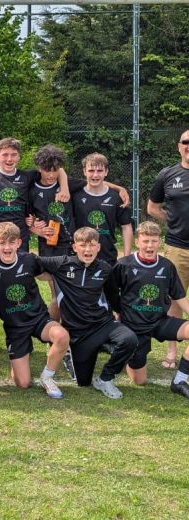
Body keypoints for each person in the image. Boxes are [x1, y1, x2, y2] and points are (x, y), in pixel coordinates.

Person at [37, 227, 138, 399]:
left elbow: (113, 295)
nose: (87, 250)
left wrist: (120, 312)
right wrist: (1, 256)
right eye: (83, 245)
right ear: (75, 247)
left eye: (92, 245)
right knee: (83, 382)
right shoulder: (62, 264)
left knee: (129, 339)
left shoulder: (105, 269)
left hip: (103, 324)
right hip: (78, 333)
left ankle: (105, 379)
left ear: (98, 247)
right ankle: (70, 351)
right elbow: (32, 260)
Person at [0, 222, 70, 398]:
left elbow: (48, 275)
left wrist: (63, 291)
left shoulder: (29, 260)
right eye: (2, 243)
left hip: (38, 319)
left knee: (62, 336)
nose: (7, 247)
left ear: (18, 243)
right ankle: (19, 356)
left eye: (11, 242)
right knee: (23, 383)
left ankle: (47, 377)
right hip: (15, 327)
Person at [113, 221, 189, 398]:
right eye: (145, 241)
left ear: (159, 242)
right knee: (139, 381)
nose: (149, 245)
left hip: (160, 322)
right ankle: (127, 354)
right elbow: (111, 294)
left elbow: (179, 296)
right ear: (137, 242)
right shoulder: (123, 265)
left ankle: (179, 380)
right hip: (134, 327)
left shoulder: (167, 266)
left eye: (154, 241)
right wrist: (117, 316)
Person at [147, 130, 189, 369]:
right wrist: (172, 221)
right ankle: (172, 352)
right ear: (179, 146)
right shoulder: (167, 174)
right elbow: (152, 207)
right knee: (175, 300)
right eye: (186, 142)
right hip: (177, 248)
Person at [72, 153, 133, 266]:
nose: (95, 175)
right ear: (84, 171)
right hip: (79, 257)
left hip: (107, 257)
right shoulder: (74, 195)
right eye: (91, 170)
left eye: (100, 171)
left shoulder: (117, 197)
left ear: (106, 172)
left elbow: (126, 227)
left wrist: (127, 258)